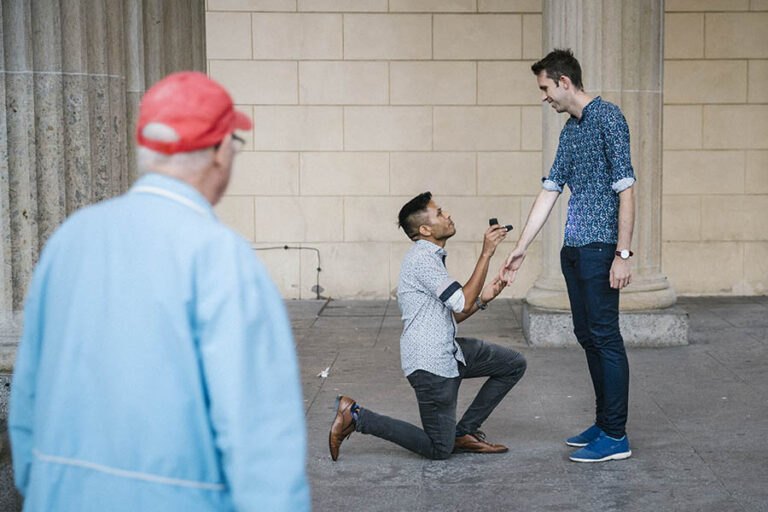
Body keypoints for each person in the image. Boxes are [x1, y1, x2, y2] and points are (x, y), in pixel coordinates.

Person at [9, 72, 309, 510]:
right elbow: (258, 436)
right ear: (222, 151)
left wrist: (44, 486)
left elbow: (28, 392)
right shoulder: (222, 257)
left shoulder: (70, 239)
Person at [500, 49, 636, 463]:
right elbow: (550, 189)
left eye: (545, 88)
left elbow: (626, 189)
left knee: (606, 337)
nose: (544, 97)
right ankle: (604, 422)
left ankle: (616, 436)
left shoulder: (609, 117)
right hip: (574, 251)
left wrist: (623, 253)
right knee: (587, 336)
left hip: (600, 251)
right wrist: (521, 248)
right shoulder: (570, 131)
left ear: (564, 82)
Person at [329, 192, 527, 461]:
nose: (447, 215)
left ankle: (464, 432)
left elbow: (452, 313)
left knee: (513, 364)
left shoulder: (431, 257)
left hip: (449, 352)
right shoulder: (422, 259)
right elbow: (460, 301)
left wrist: (482, 300)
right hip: (430, 365)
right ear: (425, 229)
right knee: (439, 449)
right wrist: (486, 253)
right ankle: (356, 417)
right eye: (440, 213)